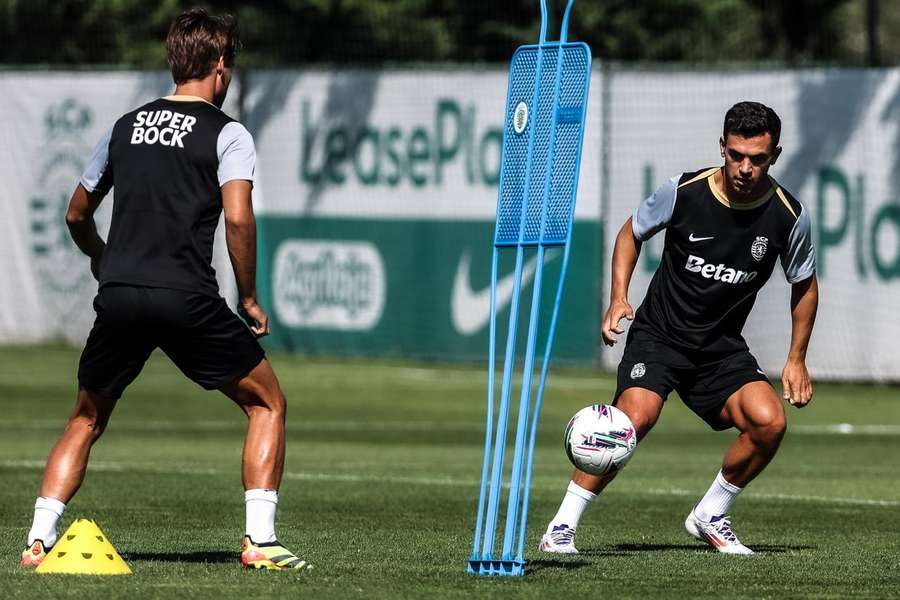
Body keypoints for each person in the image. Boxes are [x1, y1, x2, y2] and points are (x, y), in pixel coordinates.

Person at [21, 9, 308, 570]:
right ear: (221, 66)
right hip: (185, 296)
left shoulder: (124, 126)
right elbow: (240, 220)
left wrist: (104, 260)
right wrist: (248, 298)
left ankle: (37, 540)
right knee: (266, 402)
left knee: (85, 419)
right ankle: (261, 541)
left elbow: (77, 213)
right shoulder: (228, 132)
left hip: (121, 294)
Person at [540, 101, 818, 555]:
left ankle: (710, 515)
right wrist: (618, 298)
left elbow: (804, 284)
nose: (745, 167)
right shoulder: (684, 191)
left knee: (769, 423)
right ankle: (561, 527)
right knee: (633, 420)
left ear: (775, 155)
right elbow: (631, 233)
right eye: (736, 155)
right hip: (660, 336)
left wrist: (796, 358)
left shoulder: (789, 216)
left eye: (758, 159)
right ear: (722, 148)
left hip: (720, 349)